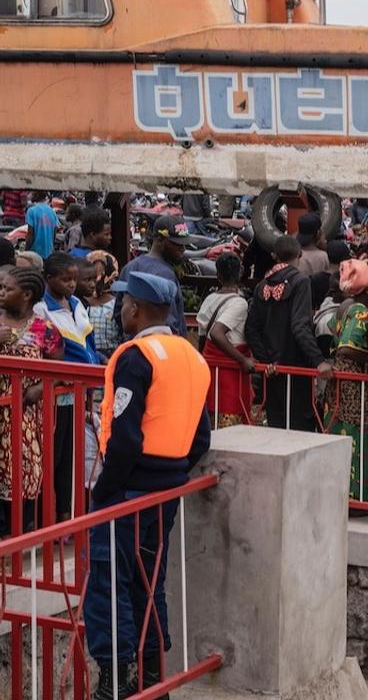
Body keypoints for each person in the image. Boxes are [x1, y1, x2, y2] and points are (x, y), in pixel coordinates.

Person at [84, 271, 211, 700]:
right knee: (148, 580)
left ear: (136, 309)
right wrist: (170, 470)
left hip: (127, 491)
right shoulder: (192, 357)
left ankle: (114, 681)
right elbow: (201, 438)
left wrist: (103, 493)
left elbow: (125, 438)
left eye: (124, 304)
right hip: (167, 489)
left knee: (109, 581)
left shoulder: (135, 356)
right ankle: (154, 676)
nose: (120, 310)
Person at [245, 236, 333, 432]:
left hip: (272, 371)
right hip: (297, 369)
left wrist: (267, 361)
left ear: (274, 256)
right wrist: (319, 360)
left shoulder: (261, 285)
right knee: (300, 429)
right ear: (299, 254)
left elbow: (251, 329)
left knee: (276, 427)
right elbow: (300, 326)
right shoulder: (301, 282)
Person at [0, 268, 63, 535]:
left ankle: (16, 533)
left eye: (7, 289)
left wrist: (39, 387)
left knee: (24, 470)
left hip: (25, 416)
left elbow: (59, 370)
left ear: (26, 295)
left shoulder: (45, 329)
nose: (2, 293)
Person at [35, 252, 98, 520]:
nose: (72, 284)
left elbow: (88, 342)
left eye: (74, 279)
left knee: (72, 456)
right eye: (66, 279)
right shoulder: (42, 308)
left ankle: (65, 514)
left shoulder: (77, 304)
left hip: (80, 388)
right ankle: (48, 516)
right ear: (49, 279)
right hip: (57, 391)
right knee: (54, 454)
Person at [324, 259, 368, 503]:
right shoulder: (360, 311)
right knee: (360, 442)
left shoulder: (345, 307)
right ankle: (360, 500)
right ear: (366, 289)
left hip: (344, 386)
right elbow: (346, 348)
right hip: (356, 390)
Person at [198, 254, 254, 427]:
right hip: (229, 371)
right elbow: (216, 333)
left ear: (218, 276)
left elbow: (202, 336)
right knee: (231, 418)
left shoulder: (209, 299)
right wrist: (243, 360)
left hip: (210, 366)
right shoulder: (239, 303)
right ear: (241, 273)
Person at [115, 216, 194, 337]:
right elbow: (168, 325)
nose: (182, 249)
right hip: (162, 348)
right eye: (177, 244)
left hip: (135, 345)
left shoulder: (130, 267)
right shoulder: (165, 275)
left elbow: (118, 314)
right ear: (159, 240)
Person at [24, 191, 59, 259]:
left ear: (35, 195)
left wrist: (26, 251)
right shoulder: (52, 212)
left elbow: (30, 233)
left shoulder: (31, 211)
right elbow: (54, 231)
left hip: (35, 253)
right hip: (48, 252)